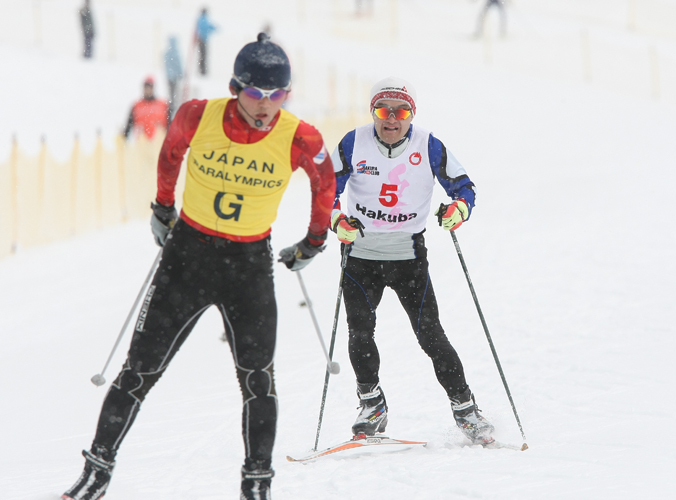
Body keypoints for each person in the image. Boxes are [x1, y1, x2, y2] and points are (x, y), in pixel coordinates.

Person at [62, 33, 335, 500]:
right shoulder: (198, 114)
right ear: (236, 87)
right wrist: (163, 208)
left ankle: (257, 484)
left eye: (277, 95)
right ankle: (98, 470)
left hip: (248, 266)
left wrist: (313, 240)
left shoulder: (300, 136)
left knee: (257, 380)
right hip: (188, 257)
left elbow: (324, 184)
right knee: (139, 371)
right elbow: (170, 155)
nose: (266, 105)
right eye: (255, 93)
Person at [329, 77, 495, 446]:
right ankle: (371, 404)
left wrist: (459, 209)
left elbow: (463, 185)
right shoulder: (353, 142)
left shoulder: (428, 144)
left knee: (431, 336)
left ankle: (466, 409)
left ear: (411, 114)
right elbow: (328, 188)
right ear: (373, 112)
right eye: (383, 110)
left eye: (400, 111)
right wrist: (336, 218)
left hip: (408, 257)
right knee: (359, 332)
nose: (391, 119)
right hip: (361, 255)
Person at [164, 36, 184, 122]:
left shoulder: (168, 53)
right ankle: (173, 106)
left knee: (171, 92)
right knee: (174, 92)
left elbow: (166, 65)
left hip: (170, 77)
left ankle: (171, 105)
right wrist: (180, 73)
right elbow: (178, 64)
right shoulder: (175, 53)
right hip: (174, 77)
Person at [195, 8, 217, 76]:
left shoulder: (200, 19)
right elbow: (207, 28)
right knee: (203, 55)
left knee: (202, 55)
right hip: (203, 40)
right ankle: (203, 70)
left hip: (201, 40)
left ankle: (201, 70)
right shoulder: (204, 19)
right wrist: (214, 28)